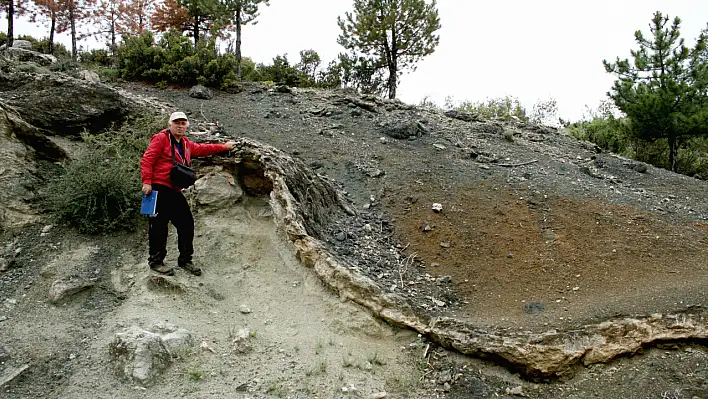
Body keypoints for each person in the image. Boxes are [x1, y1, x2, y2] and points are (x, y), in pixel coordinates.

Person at [140, 111, 237, 276]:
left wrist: (223, 147)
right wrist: (147, 181)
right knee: (158, 226)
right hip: (158, 188)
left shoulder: (185, 143)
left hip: (174, 190)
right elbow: (147, 159)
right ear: (170, 124)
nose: (180, 126)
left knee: (186, 224)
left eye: (183, 123)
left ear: (186, 126)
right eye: (176, 122)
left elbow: (202, 149)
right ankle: (156, 262)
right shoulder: (161, 138)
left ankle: (185, 259)